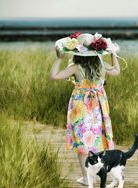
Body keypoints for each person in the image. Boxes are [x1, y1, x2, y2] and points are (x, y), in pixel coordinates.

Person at [50, 32, 121, 186]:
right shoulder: (102, 65)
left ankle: (87, 178)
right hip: (98, 107)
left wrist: (59, 58)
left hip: (80, 107)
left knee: (83, 142)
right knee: (97, 140)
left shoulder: (76, 67)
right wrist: (112, 54)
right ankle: (97, 175)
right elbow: (116, 71)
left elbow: (54, 76)